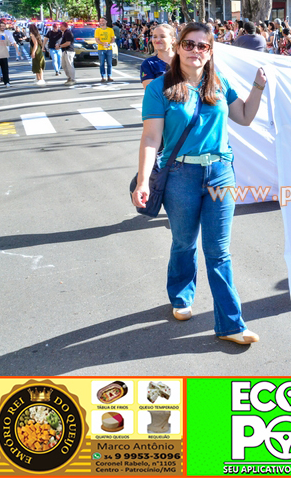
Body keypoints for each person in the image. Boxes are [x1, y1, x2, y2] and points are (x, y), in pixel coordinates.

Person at [133, 22, 267, 346]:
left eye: (202, 46)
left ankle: (231, 324)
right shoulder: (160, 88)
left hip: (220, 174)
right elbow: (151, 137)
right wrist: (142, 180)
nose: (195, 51)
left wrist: (259, 87)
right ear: (178, 47)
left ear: (210, 51)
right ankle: (181, 296)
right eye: (189, 44)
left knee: (218, 251)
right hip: (180, 176)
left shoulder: (219, 82)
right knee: (184, 242)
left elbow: (245, 116)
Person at [141, 24, 177, 88]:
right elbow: (151, 90)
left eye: (162, 36)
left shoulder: (183, 60)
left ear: (173, 40)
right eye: (154, 37)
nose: (157, 40)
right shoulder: (148, 64)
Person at [95, 17, 116, 83]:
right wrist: (102, 43)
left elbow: (113, 38)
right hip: (101, 49)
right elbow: (97, 39)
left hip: (109, 49)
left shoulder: (110, 30)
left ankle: (109, 76)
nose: (101, 22)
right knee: (102, 63)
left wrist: (110, 43)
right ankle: (103, 76)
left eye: (103, 21)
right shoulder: (97, 30)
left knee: (109, 63)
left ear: (106, 22)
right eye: (100, 21)